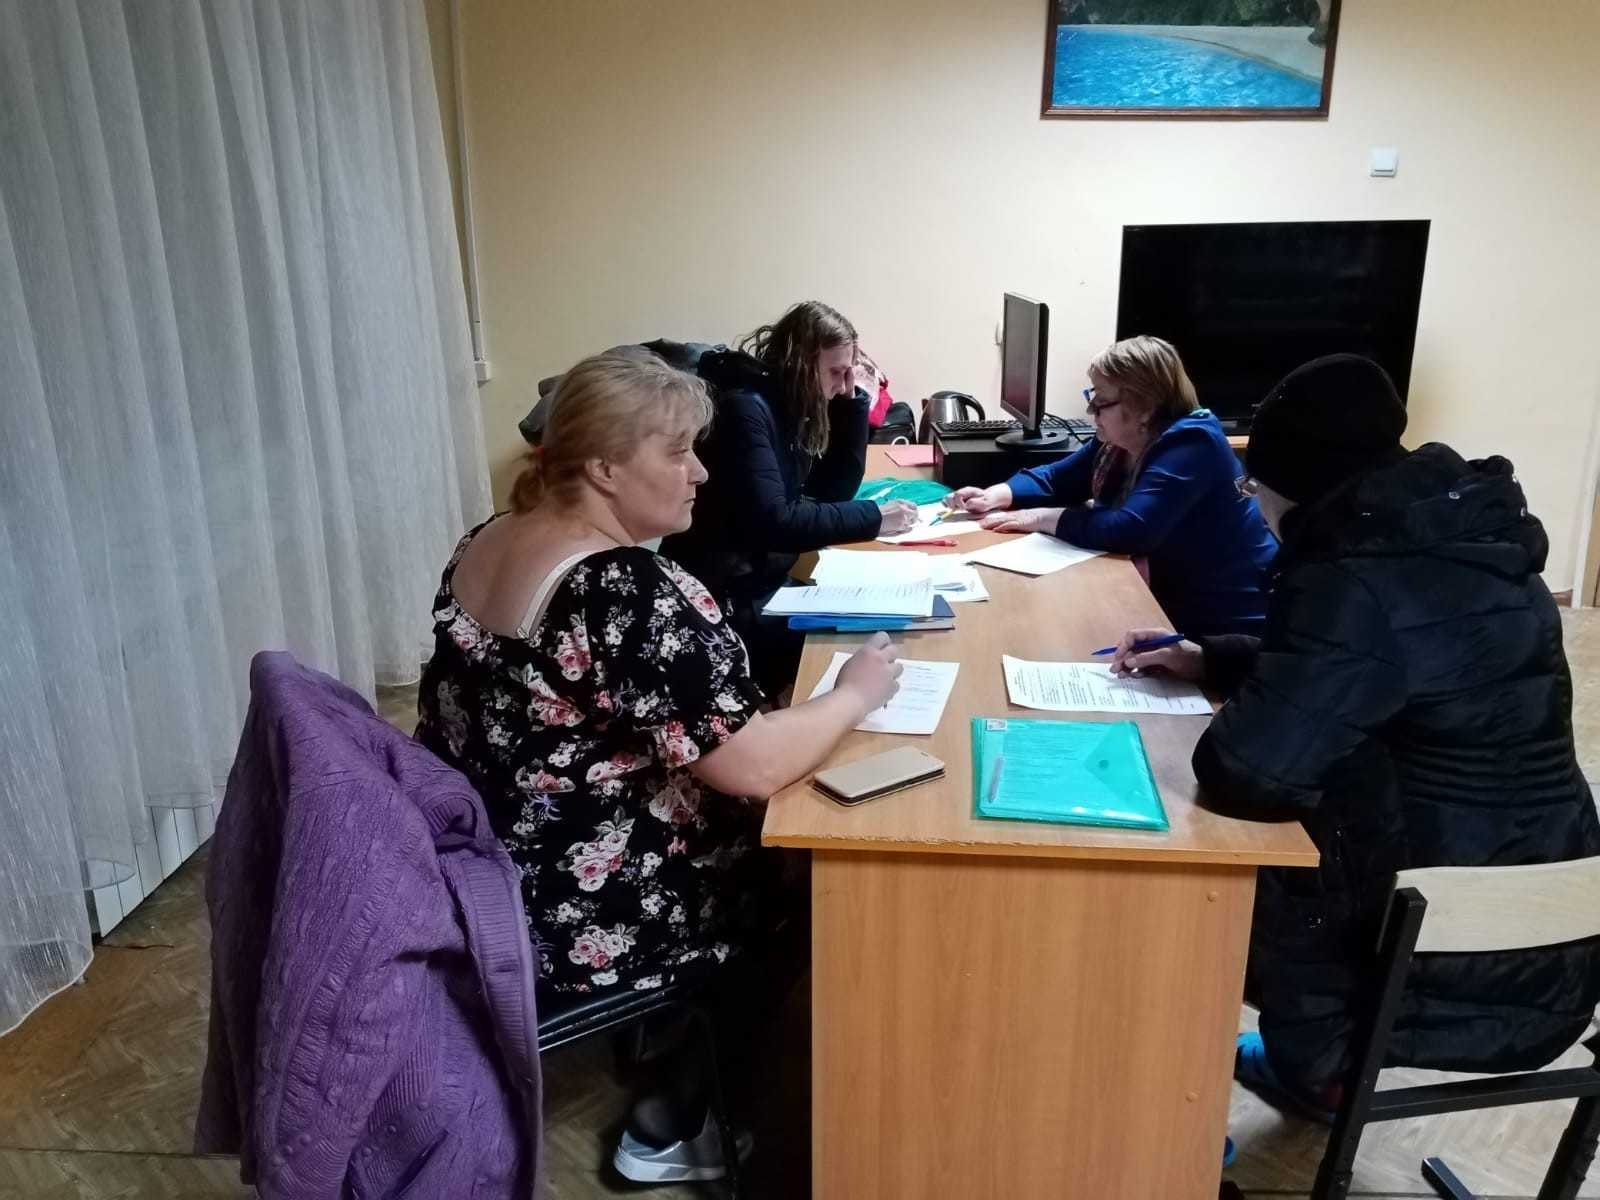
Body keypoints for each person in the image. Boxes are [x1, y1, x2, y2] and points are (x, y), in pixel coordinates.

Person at [414, 347, 904, 1179]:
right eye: (677, 451)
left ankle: (674, 1046)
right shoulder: (622, 590)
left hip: (486, 863)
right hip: (575, 903)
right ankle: (682, 1122)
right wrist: (855, 693)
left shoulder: (488, 536)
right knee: (810, 877)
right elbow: (751, 768)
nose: (701, 472)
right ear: (603, 467)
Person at [1110, 354, 1600, 1118]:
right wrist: (1217, 659)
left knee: (1214, 862)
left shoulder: (1350, 576)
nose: (1254, 506)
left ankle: (1315, 1070)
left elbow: (1244, 770)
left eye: (1252, 489)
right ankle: (1314, 1059)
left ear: (1292, 489)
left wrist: (1228, 708)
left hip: (1445, 939)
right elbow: (1390, 668)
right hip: (1560, 907)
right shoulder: (1463, 537)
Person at [659, 301, 918, 697]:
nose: (841, 383)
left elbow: (832, 492)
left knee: (876, 638)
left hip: (760, 581)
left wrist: (851, 405)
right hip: (726, 598)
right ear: (801, 365)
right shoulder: (745, 409)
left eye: (848, 372)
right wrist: (874, 517)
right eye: (836, 372)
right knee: (863, 645)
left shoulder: (786, 404)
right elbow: (775, 521)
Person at [950, 336, 1277, 637]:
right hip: (1170, 599)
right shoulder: (1120, 439)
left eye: (1102, 401)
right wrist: (995, 495)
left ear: (1144, 406)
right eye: (1092, 396)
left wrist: (1042, 518)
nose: (1091, 410)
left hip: (1225, 621)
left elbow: (1131, 530)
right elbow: (1059, 477)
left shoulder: (1193, 442)